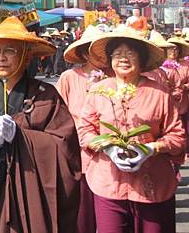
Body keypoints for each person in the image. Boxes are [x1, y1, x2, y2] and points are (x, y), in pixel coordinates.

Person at [0, 17, 80, 233]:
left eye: (10, 50)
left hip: (31, 195)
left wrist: (22, 137)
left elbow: (66, 149)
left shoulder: (46, 96)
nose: (1, 58)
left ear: (26, 55)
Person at [78, 25, 186, 233]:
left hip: (151, 184)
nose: (123, 58)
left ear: (142, 58)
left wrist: (152, 148)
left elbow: (178, 136)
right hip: (108, 182)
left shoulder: (159, 93)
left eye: (130, 53)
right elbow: (85, 130)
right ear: (110, 60)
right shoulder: (99, 91)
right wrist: (108, 147)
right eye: (117, 54)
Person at [55, 25, 104, 233]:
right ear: (84, 53)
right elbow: (56, 114)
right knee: (82, 216)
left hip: (106, 157)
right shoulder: (69, 78)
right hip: (77, 157)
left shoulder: (114, 78)